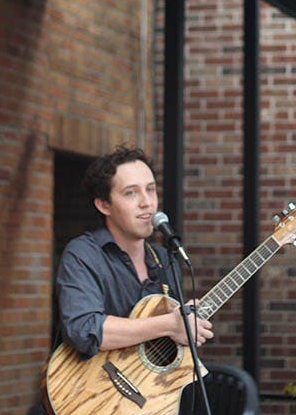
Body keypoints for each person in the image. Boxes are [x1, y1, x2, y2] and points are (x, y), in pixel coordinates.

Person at [56, 144, 213, 357]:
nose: (147, 202)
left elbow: (166, 339)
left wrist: (185, 323)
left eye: (150, 189)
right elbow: (84, 329)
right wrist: (170, 323)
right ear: (104, 205)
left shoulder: (165, 258)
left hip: (152, 388)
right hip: (95, 387)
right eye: (131, 193)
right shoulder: (83, 254)